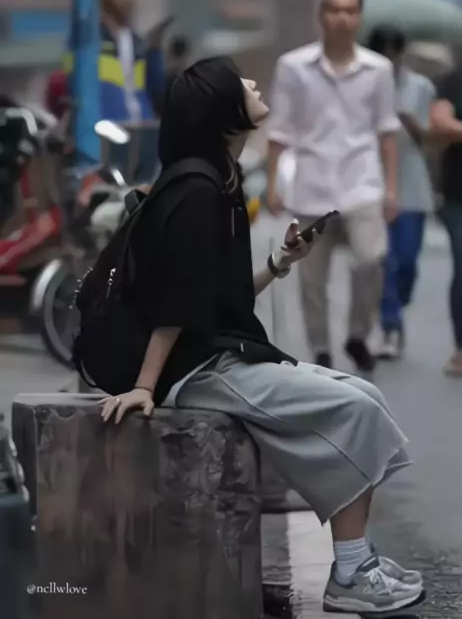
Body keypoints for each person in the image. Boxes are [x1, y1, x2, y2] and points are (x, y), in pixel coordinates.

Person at [101, 57, 424, 615]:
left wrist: (280, 262)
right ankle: (350, 575)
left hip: (216, 351)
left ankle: (359, 559)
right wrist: (147, 387)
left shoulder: (219, 180)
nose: (253, 84)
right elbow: (176, 302)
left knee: (364, 395)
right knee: (354, 410)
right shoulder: (198, 190)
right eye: (241, 83)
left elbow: (217, 296)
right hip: (197, 368)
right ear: (224, 112)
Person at [266, 0, 399, 373]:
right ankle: (321, 347)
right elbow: (279, 129)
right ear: (321, 16)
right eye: (334, 10)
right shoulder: (293, 66)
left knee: (371, 260)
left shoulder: (378, 69)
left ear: (359, 18)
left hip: (362, 181)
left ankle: (358, 334)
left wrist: (392, 189)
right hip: (312, 183)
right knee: (311, 278)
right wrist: (273, 185)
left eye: (351, 10)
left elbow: (387, 131)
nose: (342, 18)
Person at [368, 27, 435, 359]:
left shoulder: (421, 87)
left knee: (406, 262)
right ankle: (390, 326)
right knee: (385, 262)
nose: (389, 59)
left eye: (394, 52)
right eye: (384, 53)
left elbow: (429, 138)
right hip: (373, 184)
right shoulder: (363, 85)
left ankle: (396, 304)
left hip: (411, 185)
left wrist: (406, 117)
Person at [430, 6, 462, 378]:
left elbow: (454, 126)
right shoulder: (452, 81)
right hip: (460, 195)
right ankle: (461, 347)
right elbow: (441, 123)